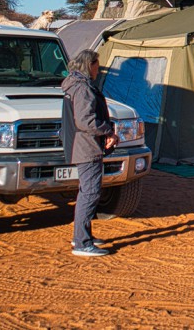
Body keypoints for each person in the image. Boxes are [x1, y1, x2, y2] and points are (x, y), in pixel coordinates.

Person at [61, 49, 119, 257]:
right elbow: (86, 121)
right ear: (89, 65)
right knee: (90, 192)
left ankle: (82, 235)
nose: (98, 68)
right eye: (96, 64)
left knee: (86, 191)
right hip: (87, 146)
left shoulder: (74, 85)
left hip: (81, 144)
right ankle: (82, 242)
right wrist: (108, 130)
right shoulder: (83, 89)